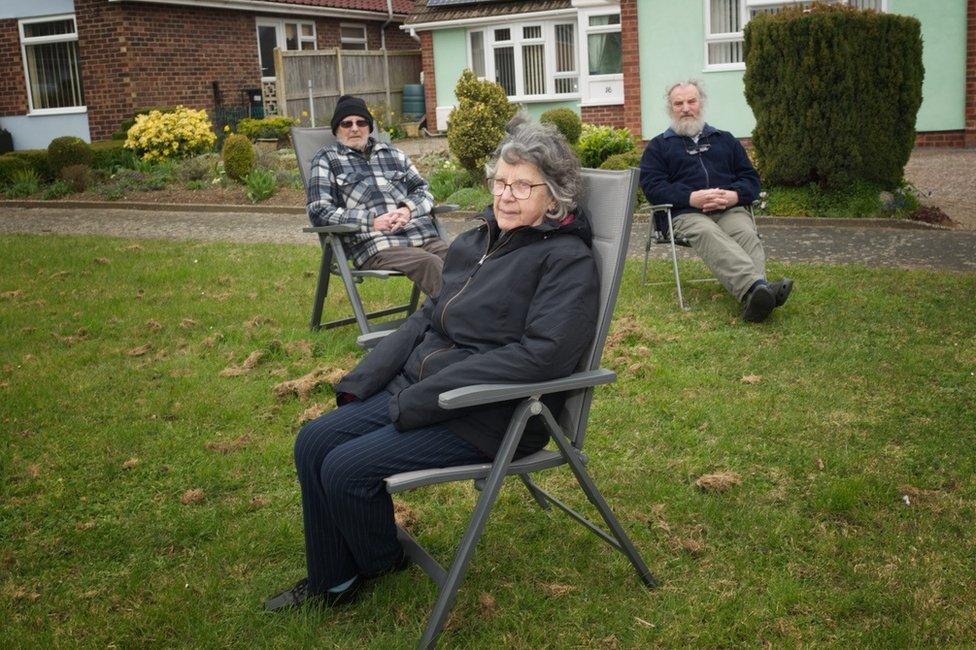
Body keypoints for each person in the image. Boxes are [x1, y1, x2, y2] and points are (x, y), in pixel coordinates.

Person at [265, 115, 600, 611]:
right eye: (500, 182)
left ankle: (377, 561)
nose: (505, 195)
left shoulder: (566, 261)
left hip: (490, 412)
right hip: (426, 387)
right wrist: (368, 379)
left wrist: (426, 394)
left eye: (522, 186)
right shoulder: (479, 240)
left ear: (553, 199)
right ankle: (334, 579)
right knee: (313, 441)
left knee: (344, 469)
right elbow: (429, 314)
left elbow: (542, 356)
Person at [639, 80, 793, 322]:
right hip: (685, 214)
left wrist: (734, 196)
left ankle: (757, 295)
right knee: (707, 232)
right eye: (678, 103)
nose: (686, 108)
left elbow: (750, 179)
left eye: (691, 101)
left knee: (745, 233)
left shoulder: (726, 140)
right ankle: (757, 289)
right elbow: (652, 187)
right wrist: (691, 197)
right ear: (671, 108)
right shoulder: (658, 147)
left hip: (728, 209)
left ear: (701, 103)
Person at [306, 94, 449, 296]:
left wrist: (407, 210)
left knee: (463, 259)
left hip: (421, 235)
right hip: (376, 245)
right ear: (337, 129)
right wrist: (371, 221)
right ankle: (456, 321)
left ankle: (461, 317)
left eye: (361, 122)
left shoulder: (394, 154)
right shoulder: (327, 159)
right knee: (431, 264)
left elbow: (422, 191)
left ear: (369, 126)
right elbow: (318, 210)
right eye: (347, 124)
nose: (354, 128)